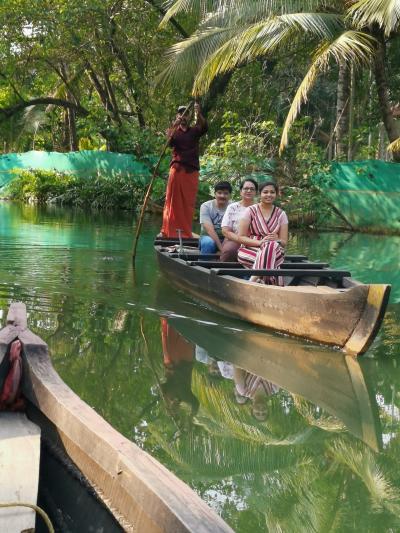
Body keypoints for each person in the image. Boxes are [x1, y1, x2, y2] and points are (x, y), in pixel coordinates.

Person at [159, 103, 208, 239]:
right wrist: (175, 125)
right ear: (177, 116)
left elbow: (203, 127)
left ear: (189, 116)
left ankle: (185, 233)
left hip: (191, 170)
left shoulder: (194, 130)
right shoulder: (173, 131)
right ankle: (169, 231)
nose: (183, 116)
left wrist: (199, 112)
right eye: (181, 114)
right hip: (177, 168)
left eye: (186, 114)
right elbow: (168, 143)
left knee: (188, 202)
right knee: (172, 201)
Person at [237, 181, 288, 284]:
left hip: (276, 251)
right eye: (265, 192)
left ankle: (254, 279)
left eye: (272, 192)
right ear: (260, 194)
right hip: (250, 249)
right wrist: (260, 243)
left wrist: (277, 240)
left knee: (272, 245)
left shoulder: (281, 214)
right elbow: (240, 237)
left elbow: (284, 242)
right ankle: (268, 282)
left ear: (276, 194)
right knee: (271, 251)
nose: (269, 195)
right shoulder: (250, 211)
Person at [220, 178, 258, 262]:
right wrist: (241, 239)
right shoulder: (233, 207)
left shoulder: (259, 208)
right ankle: (224, 273)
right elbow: (225, 231)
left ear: (255, 192)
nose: (249, 191)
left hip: (255, 240)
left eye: (252, 189)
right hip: (234, 239)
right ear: (241, 191)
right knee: (230, 250)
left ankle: (255, 274)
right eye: (246, 188)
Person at [199, 181, 232, 255]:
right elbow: (210, 230)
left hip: (227, 237)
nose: (222, 196)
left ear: (230, 195)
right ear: (215, 194)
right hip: (208, 236)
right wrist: (221, 248)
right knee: (208, 243)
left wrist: (225, 246)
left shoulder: (233, 206)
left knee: (233, 246)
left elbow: (235, 228)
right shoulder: (206, 206)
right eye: (219, 193)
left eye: (226, 193)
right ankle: (204, 265)